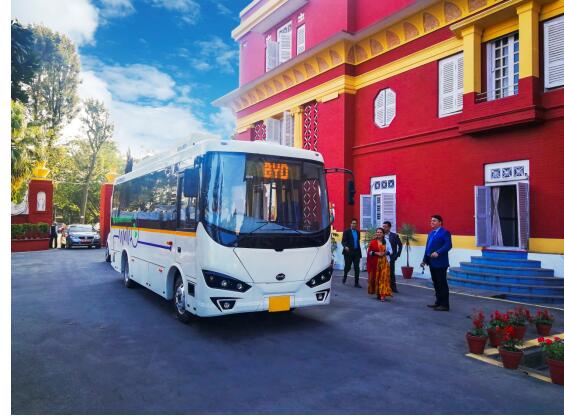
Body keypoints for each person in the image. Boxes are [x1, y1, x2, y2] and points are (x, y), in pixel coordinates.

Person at [420, 214, 452, 311]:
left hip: (440, 263)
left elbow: (448, 245)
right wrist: (424, 260)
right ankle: (438, 302)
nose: (431, 222)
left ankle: (445, 305)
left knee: (442, 284)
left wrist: (438, 252)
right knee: (436, 284)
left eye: (434, 220)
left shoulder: (445, 232)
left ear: (440, 222)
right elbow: (428, 248)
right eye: (431, 221)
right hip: (431, 262)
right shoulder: (431, 233)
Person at [367, 227, 393, 301]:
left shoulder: (386, 241)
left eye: (380, 232)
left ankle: (383, 295)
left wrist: (385, 253)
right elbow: (369, 252)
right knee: (377, 278)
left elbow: (391, 251)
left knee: (383, 278)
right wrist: (376, 253)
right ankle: (378, 292)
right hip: (375, 263)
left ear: (383, 234)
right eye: (377, 232)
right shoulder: (373, 242)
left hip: (384, 263)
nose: (379, 233)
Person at [382, 221, 403, 293]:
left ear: (389, 227)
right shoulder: (381, 235)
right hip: (382, 256)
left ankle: (393, 287)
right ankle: (383, 286)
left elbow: (400, 245)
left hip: (391, 257)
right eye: (383, 226)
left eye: (385, 226)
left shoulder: (394, 236)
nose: (384, 228)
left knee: (391, 272)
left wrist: (397, 255)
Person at [341, 219, 362, 288]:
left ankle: (356, 283)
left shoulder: (358, 232)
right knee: (348, 267)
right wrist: (345, 246)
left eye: (355, 223)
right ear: (350, 224)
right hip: (348, 252)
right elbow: (343, 241)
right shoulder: (346, 231)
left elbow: (357, 241)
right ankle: (345, 276)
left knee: (357, 268)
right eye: (353, 223)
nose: (354, 225)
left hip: (356, 252)